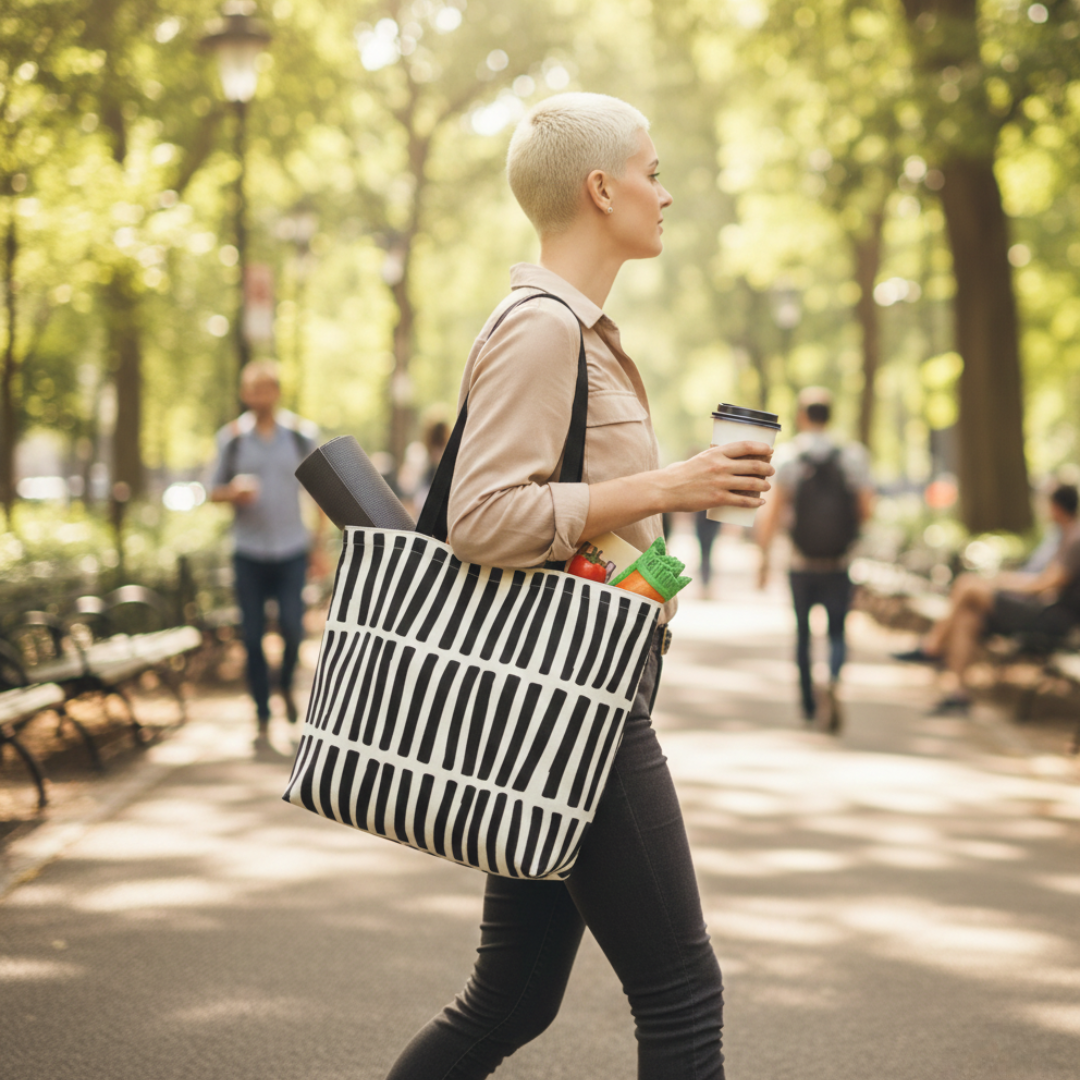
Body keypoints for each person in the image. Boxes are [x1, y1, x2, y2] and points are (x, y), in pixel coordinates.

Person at [384, 92, 774, 1080]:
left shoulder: (580, 332)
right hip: (569, 704)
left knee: (506, 1001)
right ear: (602, 189)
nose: (666, 192)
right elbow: (481, 520)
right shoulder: (543, 329)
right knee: (684, 995)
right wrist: (668, 484)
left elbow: (570, 514)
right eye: (651, 170)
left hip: (568, 692)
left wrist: (665, 524)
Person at [209, 360, 327, 743]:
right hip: (248, 552)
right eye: (253, 389)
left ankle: (286, 685)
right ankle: (262, 709)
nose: (260, 395)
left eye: (266, 388)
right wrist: (232, 493)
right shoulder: (232, 439)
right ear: (245, 394)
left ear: (276, 392)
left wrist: (317, 545)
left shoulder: (300, 436)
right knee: (254, 633)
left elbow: (322, 491)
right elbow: (212, 491)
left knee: (293, 627)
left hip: (292, 549)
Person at [894, 482, 1080, 715]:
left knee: (967, 586)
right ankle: (958, 693)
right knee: (968, 616)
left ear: (1056, 507)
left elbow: (1045, 585)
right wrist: (1003, 580)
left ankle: (933, 646)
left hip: (1048, 617)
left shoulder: (1075, 539)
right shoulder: (1059, 536)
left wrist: (1001, 582)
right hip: (1034, 609)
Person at [755, 387, 874, 732]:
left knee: (803, 634)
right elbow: (865, 509)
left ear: (803, 416)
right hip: (839, 562)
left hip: (800, 562)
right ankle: (834, 678)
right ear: (830, 415)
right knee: (837, 631)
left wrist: (764, 558)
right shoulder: (853, 455)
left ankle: (809, 705)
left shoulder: (790, 458)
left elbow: (775, 513)